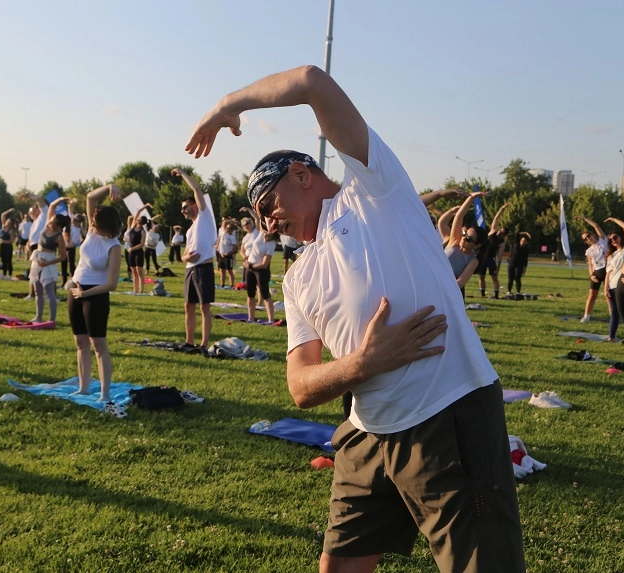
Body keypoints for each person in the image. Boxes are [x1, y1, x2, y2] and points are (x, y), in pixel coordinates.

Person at [186, 65, 523, 572]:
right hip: (365, 432)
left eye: (268, 203)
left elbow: (311, 81)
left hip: (447, 416)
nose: (266, 221)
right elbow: (300, 387)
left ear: (302, 174)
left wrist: (229, 104)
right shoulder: (296, 278)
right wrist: (363, 363)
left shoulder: (372, 191)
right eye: (257, 217)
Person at [65, 183, 124, 402]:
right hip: (76, 290)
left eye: (96, 222)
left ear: (105, 225)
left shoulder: (115, 246)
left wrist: (86, 295)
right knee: (80, 342)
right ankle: (83, 387)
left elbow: (112, 284)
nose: (92, 223)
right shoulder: (92, 230)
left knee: (98, 345)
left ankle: (105, 392)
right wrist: (109, 187)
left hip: (95, 295)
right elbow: (91, 198)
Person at [173, 168, 216, 348]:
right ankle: (189, 341)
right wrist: (185, 259)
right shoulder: (190, 230)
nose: (183, 211)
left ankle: (204, 344)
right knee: (188, 307)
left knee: (204, 308)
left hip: (203, 269)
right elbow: (185, 255)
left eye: (185, 207)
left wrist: (182, 174)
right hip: (190, 270)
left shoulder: (204, 217)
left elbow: (196, 189)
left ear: (194, 206)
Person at [29, 199, 68, 324]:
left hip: (48, 261)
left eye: (53, 220)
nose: (50, 220)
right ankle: (38, 316)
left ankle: (51, 319)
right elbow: (51, 206)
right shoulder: (47, 226)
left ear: (57, 225)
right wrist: (61, 200)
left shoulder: (59, 237)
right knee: (37, 290)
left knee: (50, 292)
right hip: (37, 259)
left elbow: (63, 256)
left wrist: (47, 263)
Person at [443, 192, 488, 297]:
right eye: (464, 234)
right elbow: (458, 217)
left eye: (468, 239)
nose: (463, 238)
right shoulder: (454, 242)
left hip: (448, 293)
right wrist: (472, 197)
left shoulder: (473, 261)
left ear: (476, 245)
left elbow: (459, 282)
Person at [241, 207, 277, 323]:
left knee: (265, 295)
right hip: (250, 268)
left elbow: (264, 264)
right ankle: (250, 318)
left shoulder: (271, 245)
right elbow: (257, 217)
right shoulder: (261, 233)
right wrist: (249, 210)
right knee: (250, 294)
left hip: (260, 270)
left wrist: (250, 266)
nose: (266, 233)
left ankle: (271, 320)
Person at [577, 216, 607, 323]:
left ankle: (614, 316)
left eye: (588, 236)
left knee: (608, 294)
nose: (588, 239)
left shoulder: (603, 240)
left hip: (607, 270)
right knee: (592, 295)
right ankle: (586, 316)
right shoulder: (589, 250)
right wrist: (592, 275)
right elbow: (590, 265)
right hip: (597, 272)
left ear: (593, 235)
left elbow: (596, 225)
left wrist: (584, 219)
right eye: (585, 239)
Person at [603, 218, 624, 342]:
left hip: (623, 285)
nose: (613, 240)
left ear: (620, 237)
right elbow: (608, 273)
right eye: (611, 239)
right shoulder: (611, 255)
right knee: (614, 313)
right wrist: (605, 288)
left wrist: (612, 219)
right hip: (612, 286)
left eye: (615, 237)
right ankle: (611, 337)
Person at [125, 215, 146, 293]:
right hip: (131, 252)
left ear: (141, 221)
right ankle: (135, 290)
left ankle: (141, 291)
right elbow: (131, 239)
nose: (137, 219)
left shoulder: (142, 231)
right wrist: (126, 240)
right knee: (133, 272)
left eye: (139, 219)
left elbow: (142, 244)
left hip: (138, 252)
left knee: (139, 272)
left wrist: (132, 248)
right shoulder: (133, 227)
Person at [216, 219, 238, 287]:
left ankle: (232, 285)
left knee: (229, 271)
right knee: (222, 271)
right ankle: (222, 284)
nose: (227, 229)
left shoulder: (232, 237)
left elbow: (234, 248)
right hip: (221, 254)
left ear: (232, 230)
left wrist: (228, 254)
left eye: (229, 228)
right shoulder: (223, 233)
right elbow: (224, 222)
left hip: (228, 256)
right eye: (227, 228)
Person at [0, 209, 18, 277]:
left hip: (8, 246)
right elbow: (2, 215)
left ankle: (9, 275)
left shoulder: (11, 230)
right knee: (3, 260)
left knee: (8, 261)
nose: (7, 222)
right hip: (2, 246)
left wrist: (3, 241)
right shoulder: (3, 227)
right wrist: (9, 211)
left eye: (9, 221)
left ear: (11, 224)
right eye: (7, 221)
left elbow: (11, 241)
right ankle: (4, 274)